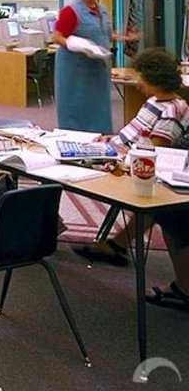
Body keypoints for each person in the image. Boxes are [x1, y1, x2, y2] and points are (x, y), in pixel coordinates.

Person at [72, 48, 189, 311]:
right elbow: (135, 134)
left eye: (141, 78)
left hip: (132, 165)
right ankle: (117, 246)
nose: (138, 83)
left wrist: (116, 152)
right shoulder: (156, 102)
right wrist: (112, 140)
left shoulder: (170, 111)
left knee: (166, 215)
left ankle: (184, 288)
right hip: (116, 151)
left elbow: (152, 151)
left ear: (153, 78)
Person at [52, 0, 137, 133]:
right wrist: (75, 44)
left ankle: (101, 138)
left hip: (98, 67)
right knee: (77, 107)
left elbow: (104, 33)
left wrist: (123, 37)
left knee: (99, 107)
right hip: (76, 69)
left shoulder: (102, 10)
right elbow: (57, 36)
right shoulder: (71, 11)